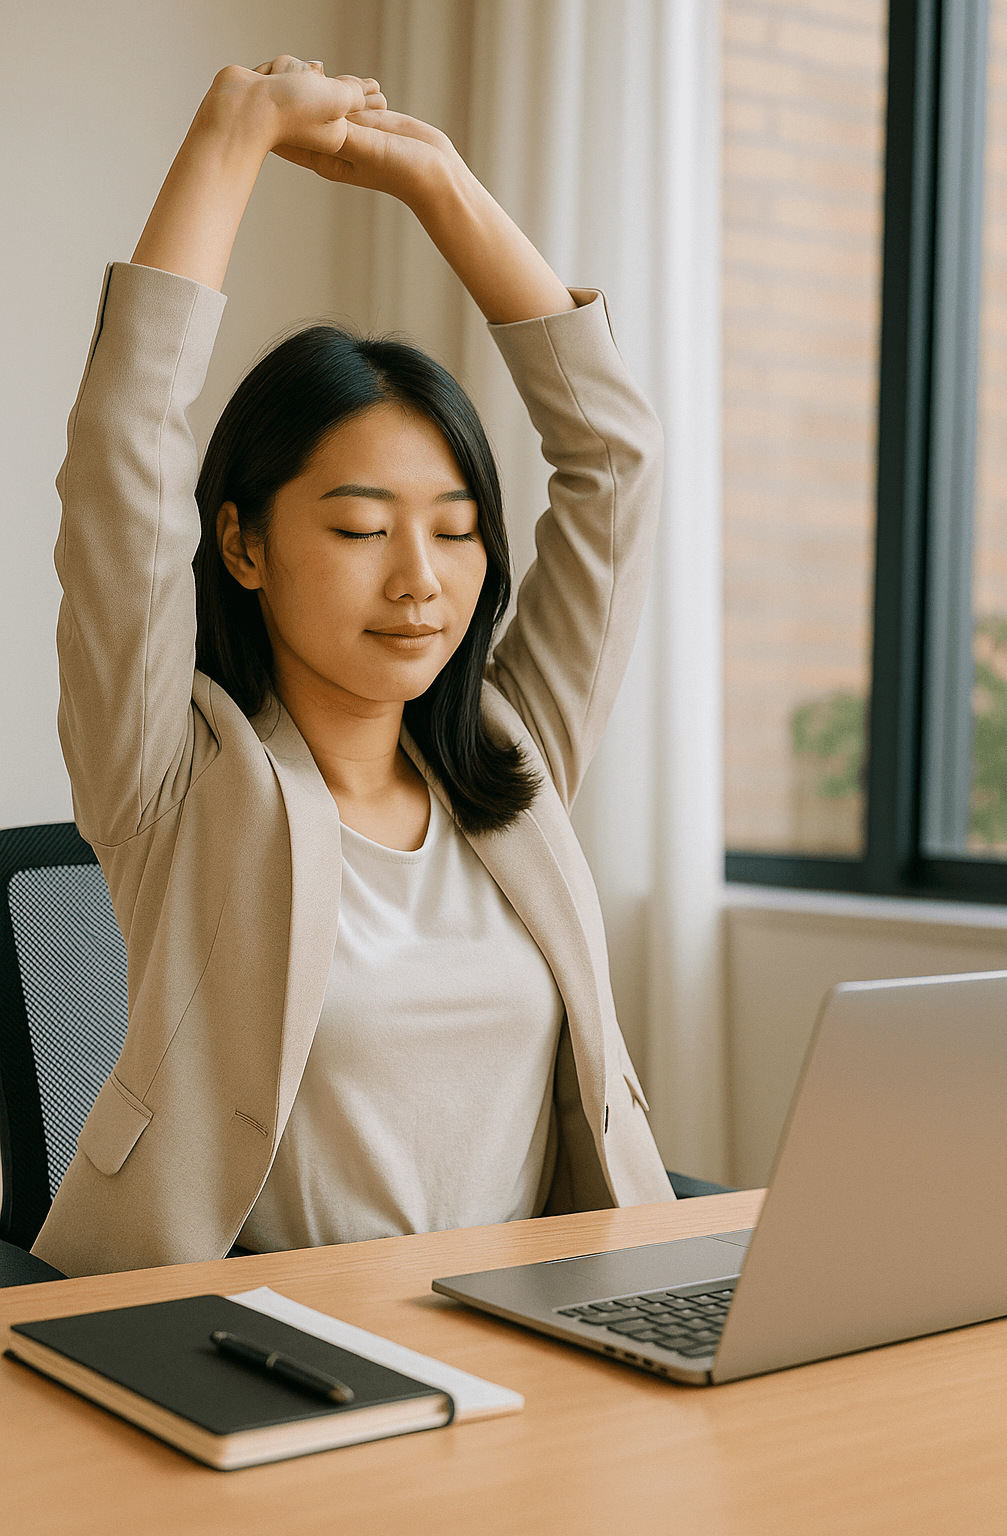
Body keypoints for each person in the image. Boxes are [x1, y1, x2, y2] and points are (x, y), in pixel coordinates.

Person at [32, 56, 673, 1279]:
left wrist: (442, 189)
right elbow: (124, 460)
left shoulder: (517, 748)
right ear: (244, 542)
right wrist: (229, 138)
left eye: (456, 526)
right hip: (260, 1358)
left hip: (529, 1336)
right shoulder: (174, 783)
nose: (420, 581)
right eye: (361, 529)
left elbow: (617, 462)